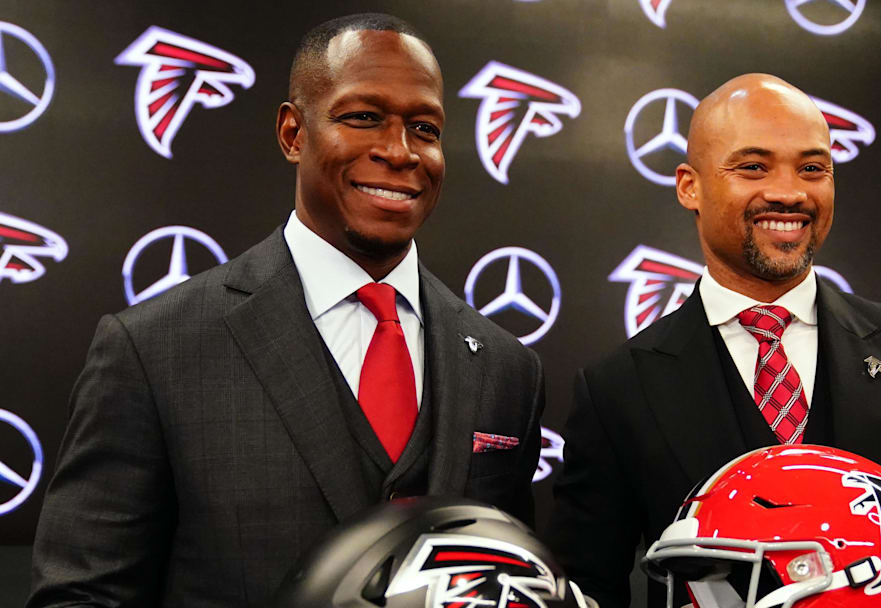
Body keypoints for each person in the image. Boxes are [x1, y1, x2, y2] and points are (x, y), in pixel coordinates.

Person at [28, 14, 544, 608]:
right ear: (294, 133)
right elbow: (81, 598)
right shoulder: (152, 351)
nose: (399, 151)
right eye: (363, 117)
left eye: (423, 127)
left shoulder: (507, 369)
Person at [545, 74, 881, 608]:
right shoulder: (617, 387)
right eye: (753, 167)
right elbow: (585, 588)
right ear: (689, 186)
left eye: (812, 168)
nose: (790, 193)